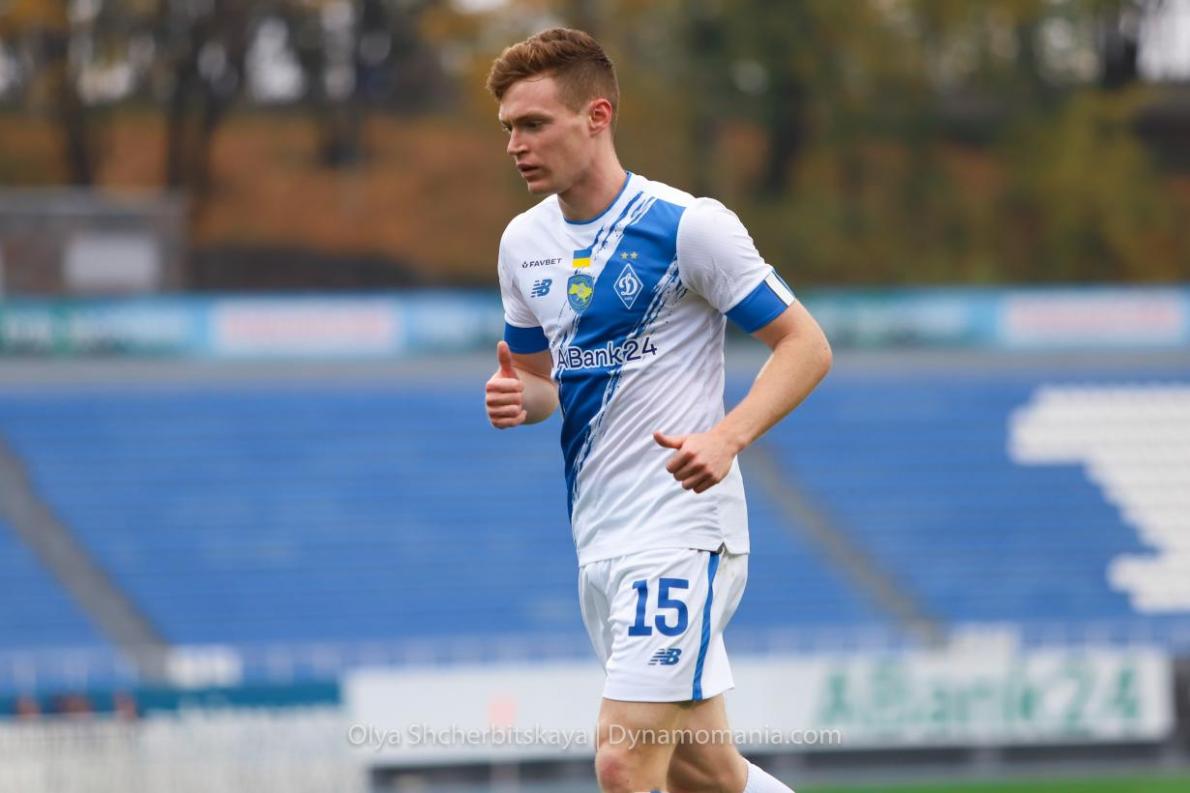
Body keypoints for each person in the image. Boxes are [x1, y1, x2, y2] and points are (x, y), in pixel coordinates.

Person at [483, 28, 831, 793]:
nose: (516, 145)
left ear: (597, 116)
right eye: (508, 127)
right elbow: (541, 383)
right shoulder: (523, 244)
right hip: (600, 539)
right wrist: (519, 397)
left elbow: (805, 345)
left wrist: (728, 436)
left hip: (679, 533)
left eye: (533, 123)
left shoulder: (686, 225)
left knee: (624, 761)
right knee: (705, 774)